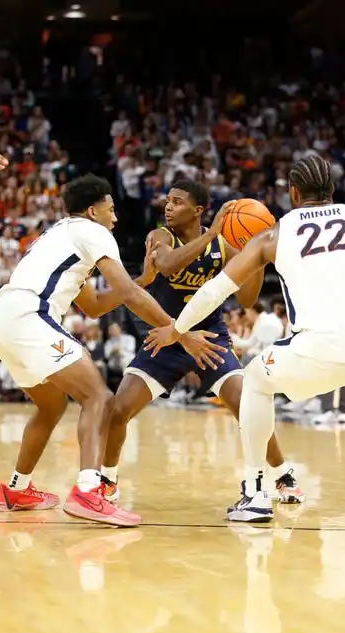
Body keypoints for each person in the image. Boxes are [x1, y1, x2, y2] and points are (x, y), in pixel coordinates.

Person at [145, 155, 345, 522]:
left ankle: (256, 494)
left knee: (255, 380)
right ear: (333, 190)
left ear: (292, 192)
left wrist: (176, 329)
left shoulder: (274, 234)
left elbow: (213, 293)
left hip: (317, 353)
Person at [0, 174, 225, 527]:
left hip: (1, 320)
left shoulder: (58, 235)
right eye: (111, 210)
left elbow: (95, 305)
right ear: (93, 211)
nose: (115, 218)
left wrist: (142, 280)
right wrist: (180, 332)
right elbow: (127, 296)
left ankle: (17, 488)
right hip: (28, 316)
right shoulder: (94, 232)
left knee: (50, 407)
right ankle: (88, 491)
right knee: (99, 397)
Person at [101, 179, 303, 516]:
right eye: (168, 200)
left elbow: (248, 299)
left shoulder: (227, 248)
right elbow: (166, 265)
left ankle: (283, 475)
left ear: (197, 210)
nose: (168, 206)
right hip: (167, 337)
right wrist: (213, 236)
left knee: (247, 406)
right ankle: (107, 480)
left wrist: (256, 255)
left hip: (209, 337)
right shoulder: (161, 236)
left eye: (177, 202)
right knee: (118, 410)